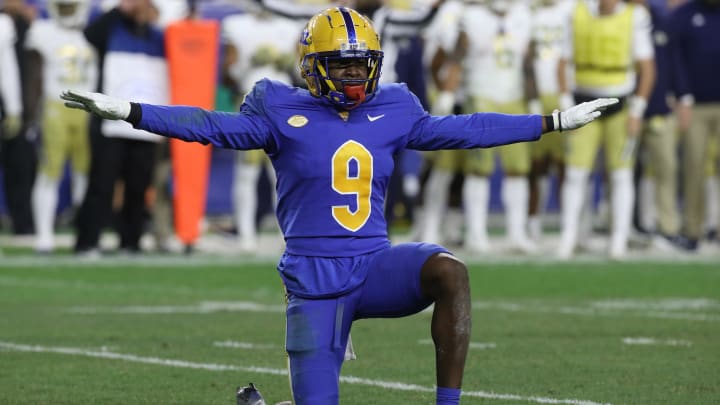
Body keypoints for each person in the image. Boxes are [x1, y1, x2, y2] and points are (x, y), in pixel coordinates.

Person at [61, 7, 615, 404]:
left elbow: (467, 128)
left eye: (361, 64)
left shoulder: (395, 106)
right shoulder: (276, 108)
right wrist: (131, 110)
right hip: (314, 279)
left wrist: (550, 121)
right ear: (311, 64)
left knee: (449, 270)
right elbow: (208, 125)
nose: (355, 74)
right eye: (342, 65)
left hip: (376, 266)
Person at [420, 0, 540, 253]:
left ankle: (516, 233)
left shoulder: (524, 15)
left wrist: (534, 99)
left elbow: (528, 62)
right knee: (477, 169)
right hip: (479, 95)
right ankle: (476, 232)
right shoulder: (469, 15)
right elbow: (455, 57)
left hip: (514, 96)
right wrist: (448, 93)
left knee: (518, 169)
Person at [556, 0, 655, 259]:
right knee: (576, 172)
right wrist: (566, 105)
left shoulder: (634, 16)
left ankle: (618, 241)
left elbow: (647, 67)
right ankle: (568, 237)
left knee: (621, 174)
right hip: (583, 104)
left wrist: (637, 110)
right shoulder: (576, 12)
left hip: (619, 105)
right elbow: (562, 62)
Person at [73, 0, 168, 256]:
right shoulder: (112, 30)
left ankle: (131, 242)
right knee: (101, 185)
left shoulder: (160, 37)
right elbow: (90, 35)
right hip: (110, 122)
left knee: (138, 187)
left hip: (146, 122)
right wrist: (121, 9)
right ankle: (87, 242)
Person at [25, 0, 96, 254]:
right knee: (49, 171)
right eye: (64, 6)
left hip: (89, 109)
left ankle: (83, 235)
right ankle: (44, 235)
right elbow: (33, 73)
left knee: (84, 174)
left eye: (71, 6)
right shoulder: (42, 31)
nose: (68, 11)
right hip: (56, 107)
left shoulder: (92, 31)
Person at [670, 0, 720, 250]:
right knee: (694, 167)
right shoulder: (684, 15)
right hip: (695, 105)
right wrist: (683, 97)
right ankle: (692, 230)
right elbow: (675, 58)